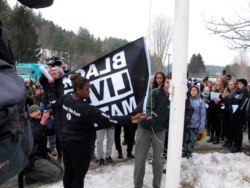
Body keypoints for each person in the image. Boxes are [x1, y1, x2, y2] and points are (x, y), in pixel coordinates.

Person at [55, 73, 145, 188]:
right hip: (79, 146)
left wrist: (61, 129)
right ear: (78, 90)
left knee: (69, 172)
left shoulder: (66, 97)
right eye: (87, 89)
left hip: (65, 142)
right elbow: (110, 119)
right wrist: (132, 118)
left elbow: (57, 108)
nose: (90, 91)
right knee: (78, 176)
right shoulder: (86, 109)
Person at [134, 77, 170, 188]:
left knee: (159, 161)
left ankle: (157, 185)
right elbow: (149, 107)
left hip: (160, 131)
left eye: (171, 83)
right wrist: (149, 117)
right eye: (167, 82)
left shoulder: (176, 97)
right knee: (140, 160)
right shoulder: (155, 92)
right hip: (145, 128)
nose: (168, 86)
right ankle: (137, 185)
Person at [24, 104, 63, 184]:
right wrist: (43, 121)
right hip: (34, 158)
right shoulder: (28, 125)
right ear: (30, 114)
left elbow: (51, 132)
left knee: (61, 171)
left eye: (39, 110)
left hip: (43, 155)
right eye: (35, 111)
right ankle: (29, 174)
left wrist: (52, 120)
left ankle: (37, 172)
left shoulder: (40, 122)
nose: (38, 112)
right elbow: (35, 138)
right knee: (55, 174)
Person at [182, 85, 206, 158]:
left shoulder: (200, 102)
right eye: (192, 90)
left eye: (195, 90)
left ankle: (189, 152)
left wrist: (202, 124)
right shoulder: (186, 100)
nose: (193, 92)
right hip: (186, 124)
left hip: (195, 124)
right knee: (185, 139)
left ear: (198, 92)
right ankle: (185, 152)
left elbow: (203, 114)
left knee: (192, 140)